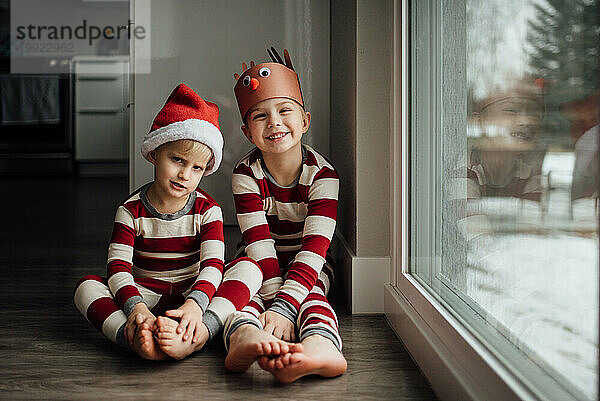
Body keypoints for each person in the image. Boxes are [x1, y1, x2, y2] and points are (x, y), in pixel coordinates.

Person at [74, 84, 296, 361]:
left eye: (197, 168)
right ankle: (133, 335)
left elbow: (213, 265)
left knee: (249, 268)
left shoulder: (208, 210)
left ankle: (201, 332)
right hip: (146, 290)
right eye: (177, 160)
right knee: (86, 287)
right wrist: (136, 308)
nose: (185, 175)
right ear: (155, 153)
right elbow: (118, 267)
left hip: (194, 289)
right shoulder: (130, 210)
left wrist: (195, 304)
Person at [221, 48, 347, 382]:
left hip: (311, 263)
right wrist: (273, 299)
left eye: (284, 110)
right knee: (241, 289)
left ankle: (320, 348)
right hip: (258, 260)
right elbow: (258, 242)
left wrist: (286, 306)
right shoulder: (245, 174)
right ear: (248, 132)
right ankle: (245, 337)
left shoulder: (323, 176)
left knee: (315, 295)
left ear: (305, 121)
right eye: (260, 116)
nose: (274, 122)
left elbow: (315, 250)